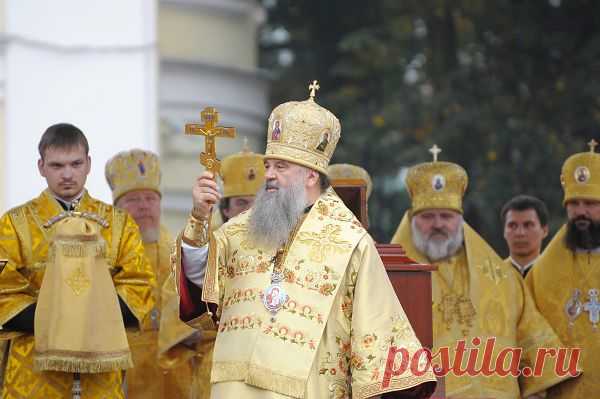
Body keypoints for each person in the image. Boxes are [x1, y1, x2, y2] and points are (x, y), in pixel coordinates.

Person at [174, 85, 437, 398]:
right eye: (268, 165)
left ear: (312, 176)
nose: (269, 175)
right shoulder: (237, 232)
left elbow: (376, 330)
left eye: (281, 167)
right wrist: (199, 218)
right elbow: (201, 289)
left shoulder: (350, 242)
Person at [390, 147, 570, 399]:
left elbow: (535, 349)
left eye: (446, 216)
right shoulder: (388, 280)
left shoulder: (503, 279)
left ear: (460, 222)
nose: (438, 224)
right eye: (428, 216)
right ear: (411, 221)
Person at [0, 123, 155, 398]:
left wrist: (86, 317)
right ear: (41, 167)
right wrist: (62, 320)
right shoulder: (14, 224)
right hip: (34, 371)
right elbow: (4, 291)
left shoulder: (119, 225)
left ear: (88, 164)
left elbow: (140, 285)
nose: (68, 174)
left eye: (75, 163)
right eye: (57, 165)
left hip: (100, 373)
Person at [106, 149, 197, 398]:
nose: (144, 206)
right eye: (133, 200)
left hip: (177, 374)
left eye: (150, 198)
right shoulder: (104, 256)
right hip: (124, 372)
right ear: (117, 208)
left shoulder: (183, 251)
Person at [526, 141, 600, 398]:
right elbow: (527, 332)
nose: (581, 212)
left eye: (591, 203)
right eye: (574, 203)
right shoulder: (543, 270)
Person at [500, 195, 549, 277]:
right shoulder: (494, 278)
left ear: (544, 231)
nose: (520, 233)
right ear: (504, 231)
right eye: (512, 226)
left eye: (528, 225)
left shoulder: (556, 275)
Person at [218, 144, 265, 223]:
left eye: (258, 203)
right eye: (241, 203)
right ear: (226, 210)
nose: (250, 211)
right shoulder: (210, 235)